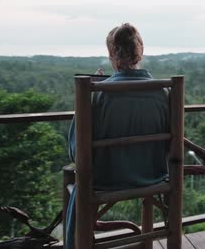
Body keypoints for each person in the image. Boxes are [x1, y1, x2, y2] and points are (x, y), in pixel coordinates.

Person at [65, 23, 169, 248]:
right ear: (140, 51)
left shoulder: (97, 95)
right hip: (154, 175)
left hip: (107, 179)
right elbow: (170, 146)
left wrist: (93, 94)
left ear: (112, 54)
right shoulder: (163, 92)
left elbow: (76, 153)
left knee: (77, 183)